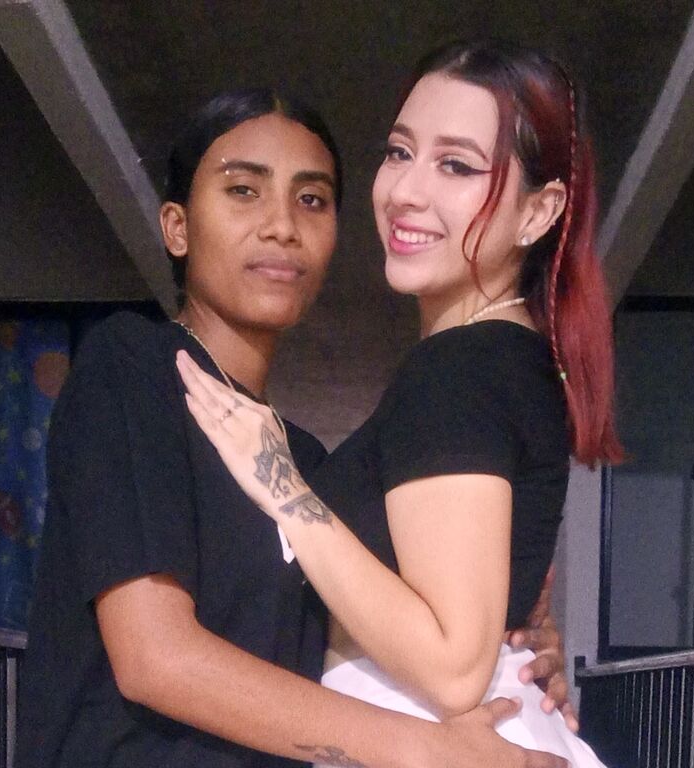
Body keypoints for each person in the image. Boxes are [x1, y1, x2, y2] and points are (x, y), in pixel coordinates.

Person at [16, 87, 572, 768]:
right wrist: (430, 749)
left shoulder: (304, 463)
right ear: (177, 227)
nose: (282, 225)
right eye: (243, 190)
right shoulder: (135, 369)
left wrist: (521, 652)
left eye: (311, 199)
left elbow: (389, 635)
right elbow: (156, 658)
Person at [176, 40, 622, 767]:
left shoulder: (459, 368)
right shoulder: (510, 358)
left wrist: (283, 488)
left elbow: (452, 667)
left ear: (539, 212)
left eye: (456, 165)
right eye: (399, 152)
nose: (406, 191)